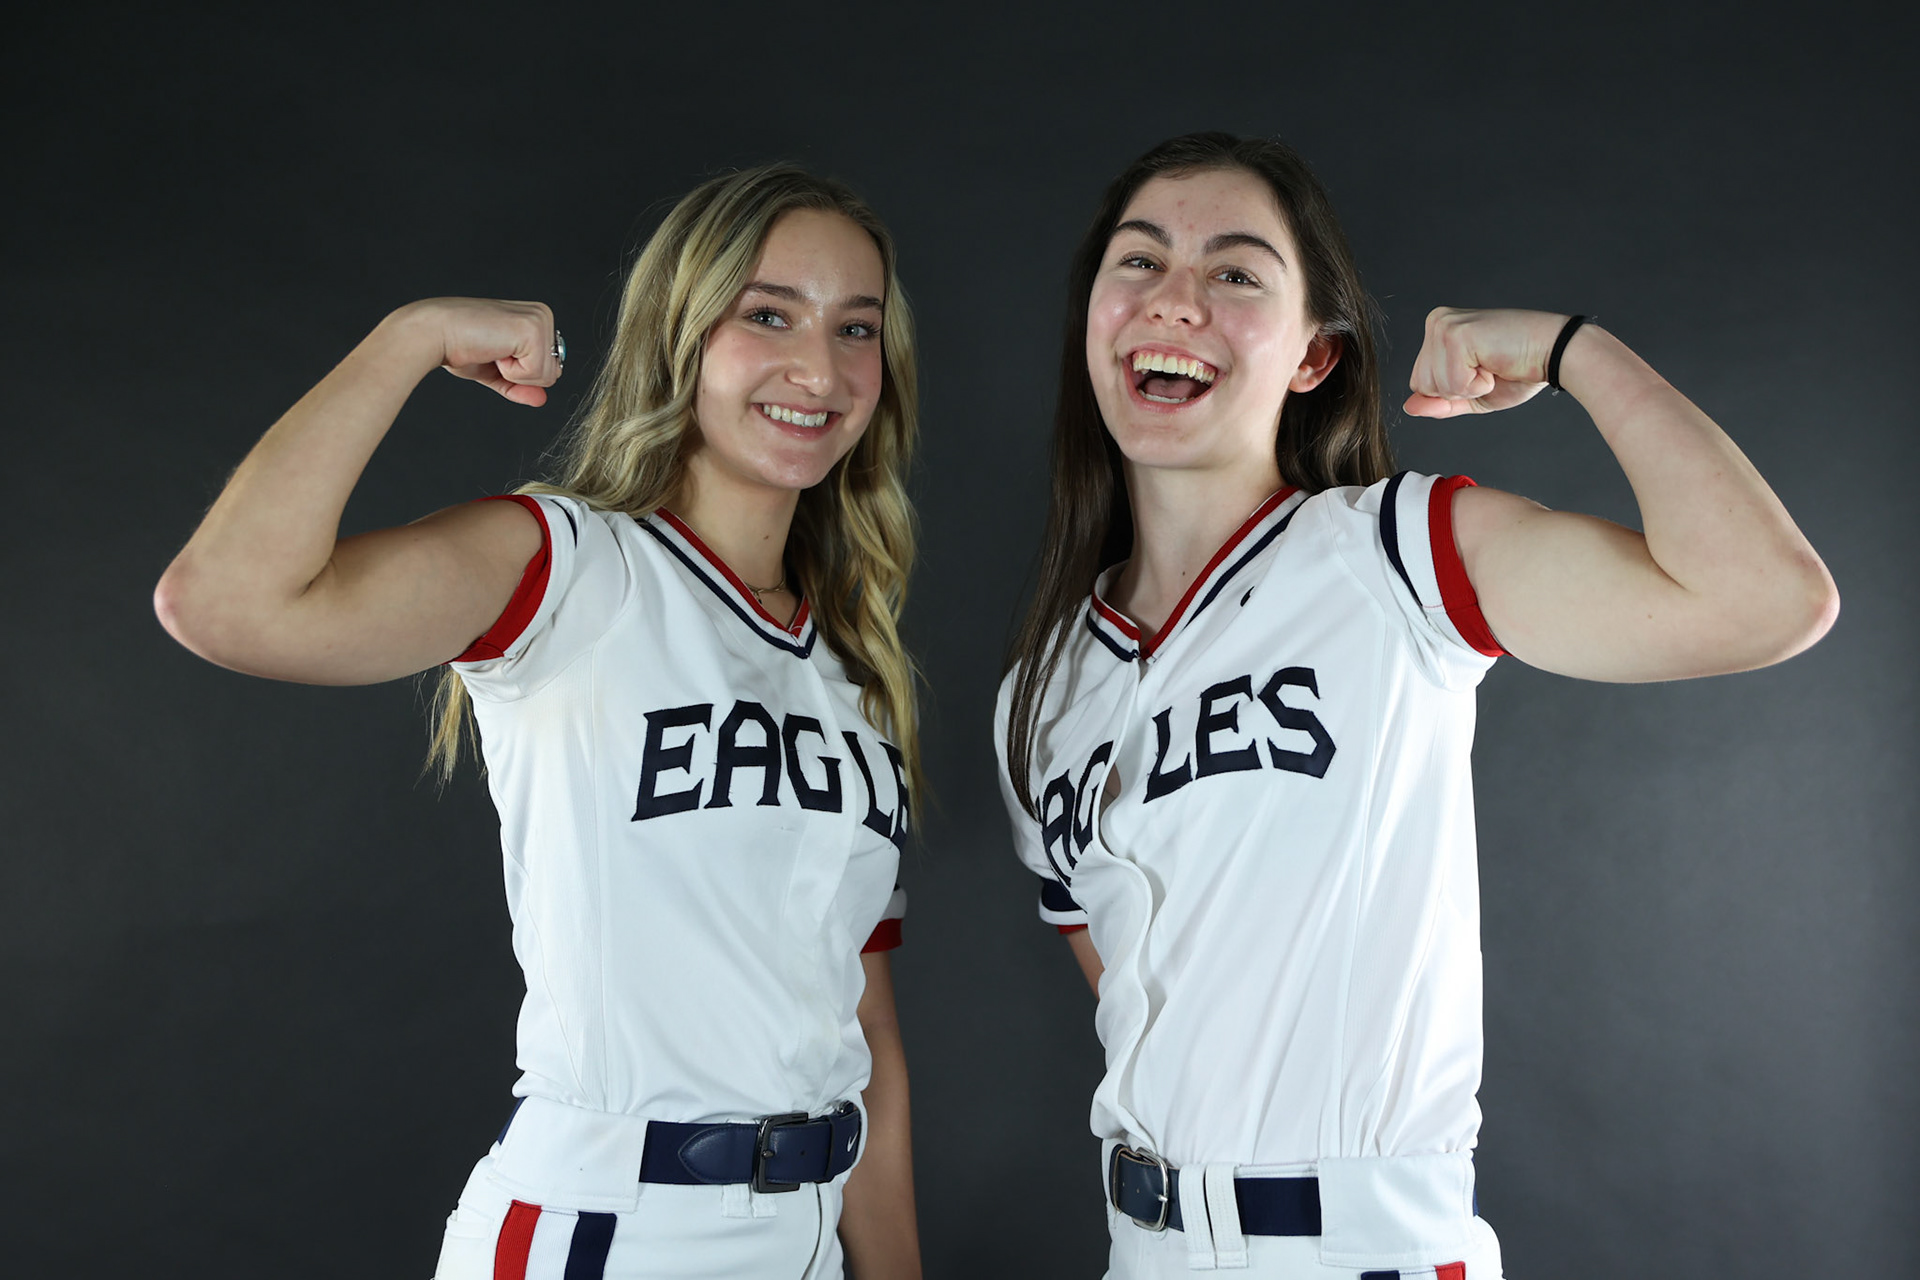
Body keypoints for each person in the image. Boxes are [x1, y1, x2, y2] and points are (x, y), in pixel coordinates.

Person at [995, 132, 1837, 1279]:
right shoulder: (1039, 695)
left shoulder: (1392, 553)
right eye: (1139, 262)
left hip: (1362, 1251)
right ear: (1094, 316)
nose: (1175, 299)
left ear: (1313, 355)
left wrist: (1572, 348)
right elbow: (1151, 993)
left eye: (1236, 271)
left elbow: (1765, 598)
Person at [155, 165, 924, 1280]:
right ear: (680, 334)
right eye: (769, 314)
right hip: (610, 1229)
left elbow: (868, 1026)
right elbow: (224, 600)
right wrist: (409, 337)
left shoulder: (857, 667)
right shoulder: (570, 568)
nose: (821, 367)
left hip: (802, 1234)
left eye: (857, 329)